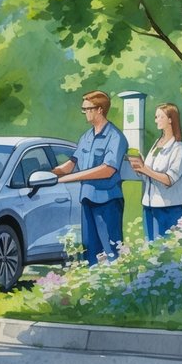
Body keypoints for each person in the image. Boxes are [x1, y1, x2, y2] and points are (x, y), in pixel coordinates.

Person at [52, 90, 128, 264]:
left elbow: (108, 170)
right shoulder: (86, 137)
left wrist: (68, 179)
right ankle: (94, 284)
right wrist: (51, 174)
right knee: (92, 250)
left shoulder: (115, 137)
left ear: (100, 109)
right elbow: (71, 163)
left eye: (88, 109)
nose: (85, 112)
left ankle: (115, 284)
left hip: (107, 200)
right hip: (87, 199)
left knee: (111, 249)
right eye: (84, 109)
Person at [129, 102, 182, 240]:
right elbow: (149, 172)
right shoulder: (157, 143)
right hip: (150, 205)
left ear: (170, 119)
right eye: (156, 117)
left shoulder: (179, 148)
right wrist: (139, 168)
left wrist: (145, 169)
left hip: (169, 208)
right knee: (150, 249)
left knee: (168, 250)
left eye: (160, 117)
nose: (156, 120)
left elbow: (169, 180)